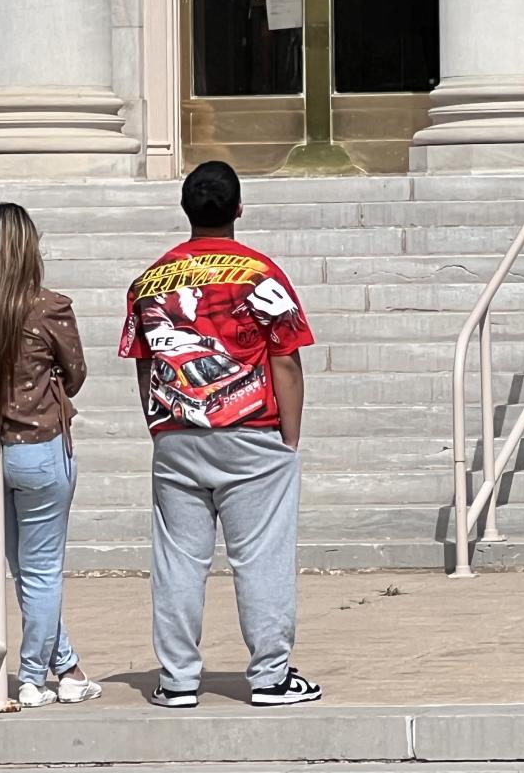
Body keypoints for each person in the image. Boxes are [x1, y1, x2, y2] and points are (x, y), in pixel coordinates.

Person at [118, 161, 321, 707]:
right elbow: (286, 361)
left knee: (179, 559)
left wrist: (157, 424)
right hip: (251, 432)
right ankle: (270, 676)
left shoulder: (151, 279)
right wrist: (289, 438)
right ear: (237, 209)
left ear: (187, 210)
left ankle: (178, 678)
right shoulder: (259, 274)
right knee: (261, 556)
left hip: (176, 433)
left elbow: (143, 362)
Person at [0, 204, 101, 708]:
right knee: (40, 572)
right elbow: (76, 372)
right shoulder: (48, 307)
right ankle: (34, 678)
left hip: (1, 449)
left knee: (26, 570)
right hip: (40, 447)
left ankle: (68, 668)